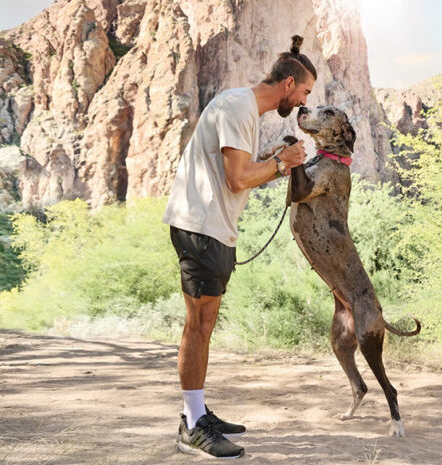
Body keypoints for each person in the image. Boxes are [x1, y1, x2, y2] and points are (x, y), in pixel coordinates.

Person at [162, 35, 317, 459]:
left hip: (213, 228)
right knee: (199, 325)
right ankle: (193, 425)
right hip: (201, 226)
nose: (304, 102)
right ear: (288, 84)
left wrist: (272, 158)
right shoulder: (237, 106)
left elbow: (243, 170)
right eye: (304, 92)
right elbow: (237, 180)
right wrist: (283, 163)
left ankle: (197, 414)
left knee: (204, 324)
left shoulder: (243, 109)